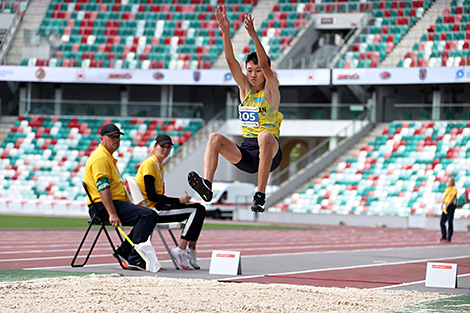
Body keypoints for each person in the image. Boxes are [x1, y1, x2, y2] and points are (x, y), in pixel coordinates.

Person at [188, 6, 283, 213]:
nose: (254, 74)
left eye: (258, 71)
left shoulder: (271, 90)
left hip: (270, 151)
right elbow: (231, 62)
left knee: (265, 135)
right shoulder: (244, 90)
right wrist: (225, 32)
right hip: (247, 154)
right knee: (214, 138)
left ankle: (260, 194)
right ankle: (207, 185)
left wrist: (253, 35)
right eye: (250, 70)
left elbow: (266, 66)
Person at [83, 123, 159, 270]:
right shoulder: (101, 158)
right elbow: (103, 188)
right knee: (148, 215)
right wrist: (112, 214)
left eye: (117, 137)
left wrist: (130, 205)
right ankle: (133, 257)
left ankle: (125, 252)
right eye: (112, 137)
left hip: (111, 204)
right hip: (103, 207)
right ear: (102, 139)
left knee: (149, 214)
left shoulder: (108, 157)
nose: (116, 140)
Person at [135, 134, 206, 270]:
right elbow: (152, 196)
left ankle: (190, 249)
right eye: (162, 146)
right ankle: (181, 249)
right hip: (153, 210)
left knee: (199, 209)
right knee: (197, 210)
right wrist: (178, 201)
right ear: (155, 146)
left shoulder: (158, 166)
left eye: (168, 147)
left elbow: (158, 196)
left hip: (158, 207)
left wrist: (178, 202)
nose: (165, 150)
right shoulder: (150, 164)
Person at [440, 177, 457, 243]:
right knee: (442, 222)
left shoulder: (454, 189)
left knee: (450, 221)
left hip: (450, 206)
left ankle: (449, 237)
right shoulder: (447, 189)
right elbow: (445, 197)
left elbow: (452, 198)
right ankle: (443, 235)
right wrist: (442, 204)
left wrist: (447, 205)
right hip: (445, 205)